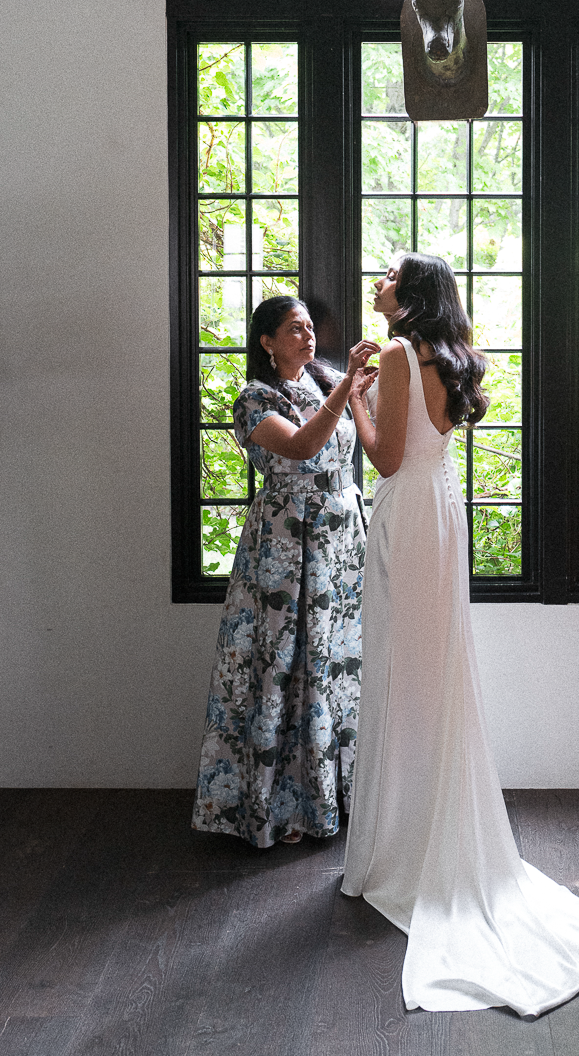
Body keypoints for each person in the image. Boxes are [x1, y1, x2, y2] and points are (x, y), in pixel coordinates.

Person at [344, 253, 579, 1018]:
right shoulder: (442, 355)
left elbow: (384, 456)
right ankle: (423, 828)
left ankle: (406, 844)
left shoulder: (402, 353)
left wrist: (354, 402)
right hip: (441, 508)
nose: (377, 282)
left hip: (407, 510)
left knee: (404, 674)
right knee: (432, 675)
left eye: (388, 275)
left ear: (408, 296)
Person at [192, 295, 379, 849]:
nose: (308, 336)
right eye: (294, 329)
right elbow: (300, 447)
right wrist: (348, 389)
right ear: (267, 341)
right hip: (285, 543)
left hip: (340, 540)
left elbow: (365, 442)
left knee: (333, 662)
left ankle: (337, 800)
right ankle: (280, 806)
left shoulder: (326, 383)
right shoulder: (255, 397)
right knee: (285, 662)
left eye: (310, 327)